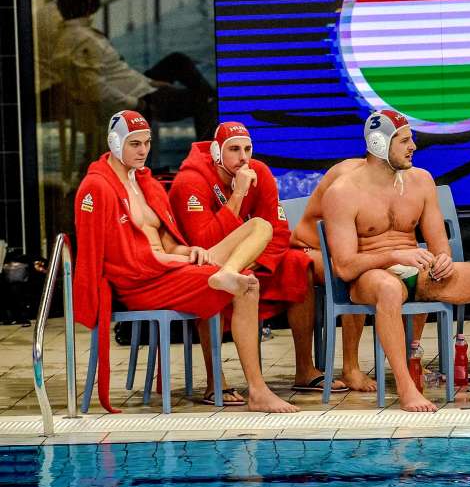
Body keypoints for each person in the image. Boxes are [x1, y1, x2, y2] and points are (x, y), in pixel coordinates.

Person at [73, 110, 297, 414]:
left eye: (147, 143)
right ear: (114, 144)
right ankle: (258, 391)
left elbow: (167, 241)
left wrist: (187, 252)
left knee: (261, 228)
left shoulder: (147, 184)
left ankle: (227, 271)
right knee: (248, 286)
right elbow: (113, 259)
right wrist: (174, 259)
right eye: (134, 144)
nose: (143, 151)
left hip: (168, 268)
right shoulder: (96, 187)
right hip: (142, 283)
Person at [321, 109, 470, 412]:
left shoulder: (421, 181)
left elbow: (439, 244)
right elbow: (344, 266)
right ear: (379, 145)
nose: (413, 147)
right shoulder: (343, 192)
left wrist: (443, 259)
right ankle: (406, 388)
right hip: (369, 276)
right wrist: (394, 255)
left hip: (417, 271)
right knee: (390, 289)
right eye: (405, 141)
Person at [169, 121, 344, 403]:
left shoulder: (259, 172)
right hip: (203, 262)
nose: (243, 157)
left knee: (299, 265)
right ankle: (216, 380)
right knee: (209, 279)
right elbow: (205, 242)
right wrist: (237, 195)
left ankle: (304, 368)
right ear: (216, 153)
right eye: (234, 150)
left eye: (247, 149)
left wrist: (250, 261)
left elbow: (278, 230)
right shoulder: (191, 181)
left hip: (251, 261)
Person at [52, 0, 217, 141]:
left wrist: (149, 82)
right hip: (137, 99)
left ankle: (214, 99)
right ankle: (206, 157)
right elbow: (96, 91)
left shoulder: (71, 35)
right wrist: (137, 104)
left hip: (134, 87)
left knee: (177, 60)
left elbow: (116, 73)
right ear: (84, 0)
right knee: (207, 100)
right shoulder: (84, 41)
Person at [289, 157, 376, 392]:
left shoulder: (402, 178)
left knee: (420, 270)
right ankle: (350, 368)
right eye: (404, 141)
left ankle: (412, 356)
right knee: (357, 271)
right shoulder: (348, 178)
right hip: (310, 247)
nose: (412, 147)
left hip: (347, 250)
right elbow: (347, 250)